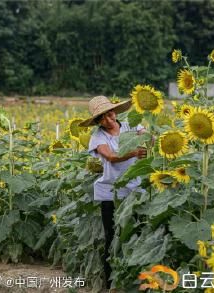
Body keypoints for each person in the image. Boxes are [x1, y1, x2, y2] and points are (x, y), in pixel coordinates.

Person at [79, 95, 147, 290]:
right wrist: (133, 152)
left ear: (115, 112)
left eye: (110, 114)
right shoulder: (98, 136)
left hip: (135, 189)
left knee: (137, 232)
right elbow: (110, 157)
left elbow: (147, 135)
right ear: (97, 121)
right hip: (111, 192)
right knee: (112, 236)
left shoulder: (131, 125)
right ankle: (110, 284)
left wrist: (150, 136)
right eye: (102, 118)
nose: (108, 120)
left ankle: (137, 277)